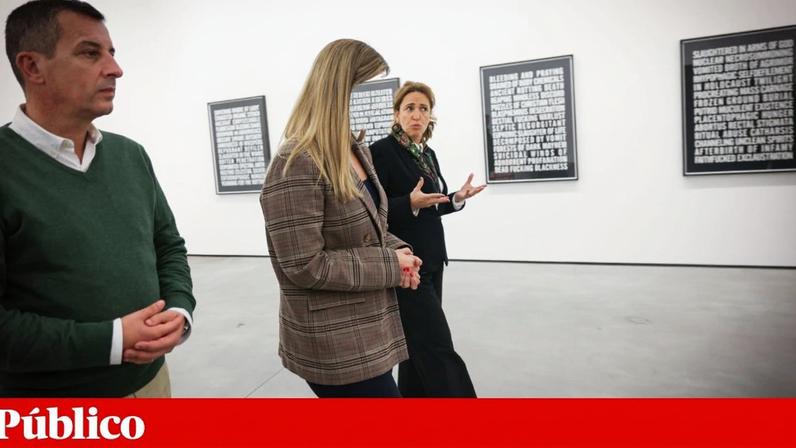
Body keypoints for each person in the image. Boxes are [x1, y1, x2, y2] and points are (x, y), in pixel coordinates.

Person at [0, 0, 195, 397]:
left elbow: (168, 246)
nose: (115, 69)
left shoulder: (130, 155)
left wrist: (178, 309)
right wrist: (112, 340)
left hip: (153, 383)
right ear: (32, 66)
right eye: (90, 53)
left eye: (112, 53)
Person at [260, 39, 422, 398]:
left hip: (371, 325)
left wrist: (402, 253)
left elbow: (369, 228)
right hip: (334, 340)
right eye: (360, 88)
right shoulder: (297, 162)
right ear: (338, 90)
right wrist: (389, 264)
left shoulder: (353, 149)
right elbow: (304, 264)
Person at [370, 81, 485, 397]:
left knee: (416, 346)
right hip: (407, 264)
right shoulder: (380, 152)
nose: (417, 115)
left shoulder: (427, 153)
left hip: (433, 261)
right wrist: (408, 203)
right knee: (437, 345)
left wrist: (456, 198)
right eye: (409, 108)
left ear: (431, 115)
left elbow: (428, 204)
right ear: (397, 114)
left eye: (423, 108)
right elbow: (370, 210)